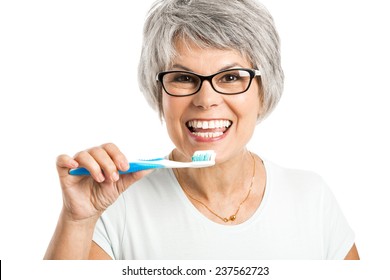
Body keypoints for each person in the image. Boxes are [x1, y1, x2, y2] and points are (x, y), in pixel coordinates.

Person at [44, 0, 359, 260]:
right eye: (183, 78)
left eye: (231, 77)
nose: (206, 100)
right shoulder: (114, 208)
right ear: (159, 94)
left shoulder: (311, 199)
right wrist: (78, 220)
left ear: (264, 90)